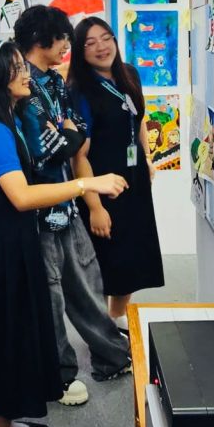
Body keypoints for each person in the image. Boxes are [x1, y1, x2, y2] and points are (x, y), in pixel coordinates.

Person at [0, 39, 128, 427]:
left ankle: (1, 421)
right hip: (0, 253)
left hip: (4, 245)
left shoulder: (6, 120)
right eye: (16, 69)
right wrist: (86, 184)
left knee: (9, 335)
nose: (26, 75)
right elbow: (21, 196)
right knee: (4, 339)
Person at [13, 6, 132, 406]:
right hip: (41, 205)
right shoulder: (22, 87)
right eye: (63, 38)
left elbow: (76, 133)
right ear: (42, 40)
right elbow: (45, 150)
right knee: (51, 296)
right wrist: (68, 135)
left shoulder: (54, 81)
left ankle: (112, 356)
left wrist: (68, 133)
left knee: (86, 279)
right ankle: (61, 376)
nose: (68, 45)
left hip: (67, 196)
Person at [69, 17, 165, 331]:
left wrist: (147, 158)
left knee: (132, 255)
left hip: (133, 181)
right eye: (90, 43)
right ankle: (101, 331)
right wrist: (95, 207)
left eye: (106, 38)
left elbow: (138, 119)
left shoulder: (130, 74)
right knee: (106, 259)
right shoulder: (80, 91)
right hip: (102, 186)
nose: (101, 47)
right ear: (80, 51)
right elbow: (79, 156)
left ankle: (116, 316)